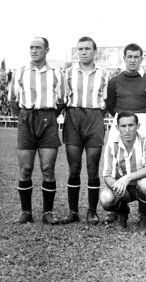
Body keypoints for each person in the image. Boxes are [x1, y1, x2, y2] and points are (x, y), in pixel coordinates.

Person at [8, 37, 65, 224]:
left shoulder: (57, 72)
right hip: (26, 119)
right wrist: (24, 116)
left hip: (48, 120)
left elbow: (62, 101)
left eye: (38, 47)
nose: (34, 50)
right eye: (31, 47)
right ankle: (26, 212)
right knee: (25, 168)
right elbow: (13, 100)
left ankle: (47, 212)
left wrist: (47, 116)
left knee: (48, 169)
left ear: (47, 50)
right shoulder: (20, 72)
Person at [105, 43, 146, 224]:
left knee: (143, 161)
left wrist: (143, 121)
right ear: (124, 58)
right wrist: (123, 120)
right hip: (121, 121)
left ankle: (144, 214)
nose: (132, 60)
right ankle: (118, 208)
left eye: (136, 57)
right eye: (129, 56)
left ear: (141, 59)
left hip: (141, 122)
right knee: (116, 160)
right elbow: (110, 106)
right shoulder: (115, 81)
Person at [60, 36, 108, 225]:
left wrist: (94, 114)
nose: (84, 52)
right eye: (80, 49)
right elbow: (63, 98)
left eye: (88, 49)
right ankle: (73, 212)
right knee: (74, 168)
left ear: (94, 51)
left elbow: (106, 101)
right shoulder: (69, 73)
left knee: (93, 168)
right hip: (73, 118)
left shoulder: (104, 74)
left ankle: (92, 212)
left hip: (94, 118)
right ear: (77, 51)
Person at [100, 112, 146, 234]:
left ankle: (144, 219)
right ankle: (123, 212)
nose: (127, 130)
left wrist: (128, 178)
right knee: (106, 198)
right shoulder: (112, 145)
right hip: (124, 188)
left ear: (138, 126)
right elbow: (107, 175)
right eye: (123, 126)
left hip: (141, 184)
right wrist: (116, 186)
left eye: (131, 125)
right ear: (117, 128)